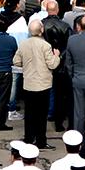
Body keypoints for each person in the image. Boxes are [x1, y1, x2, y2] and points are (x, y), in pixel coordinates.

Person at [14, 20, 61, 149]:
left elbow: (16, 61)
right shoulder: (45, 45)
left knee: (29, 114)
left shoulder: (23, 44)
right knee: (41, 115)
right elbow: (52, 64)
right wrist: (56, 56)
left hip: (29, 83)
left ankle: (29, 138)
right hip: (43, 84)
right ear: (42, 30)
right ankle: (41, 141)